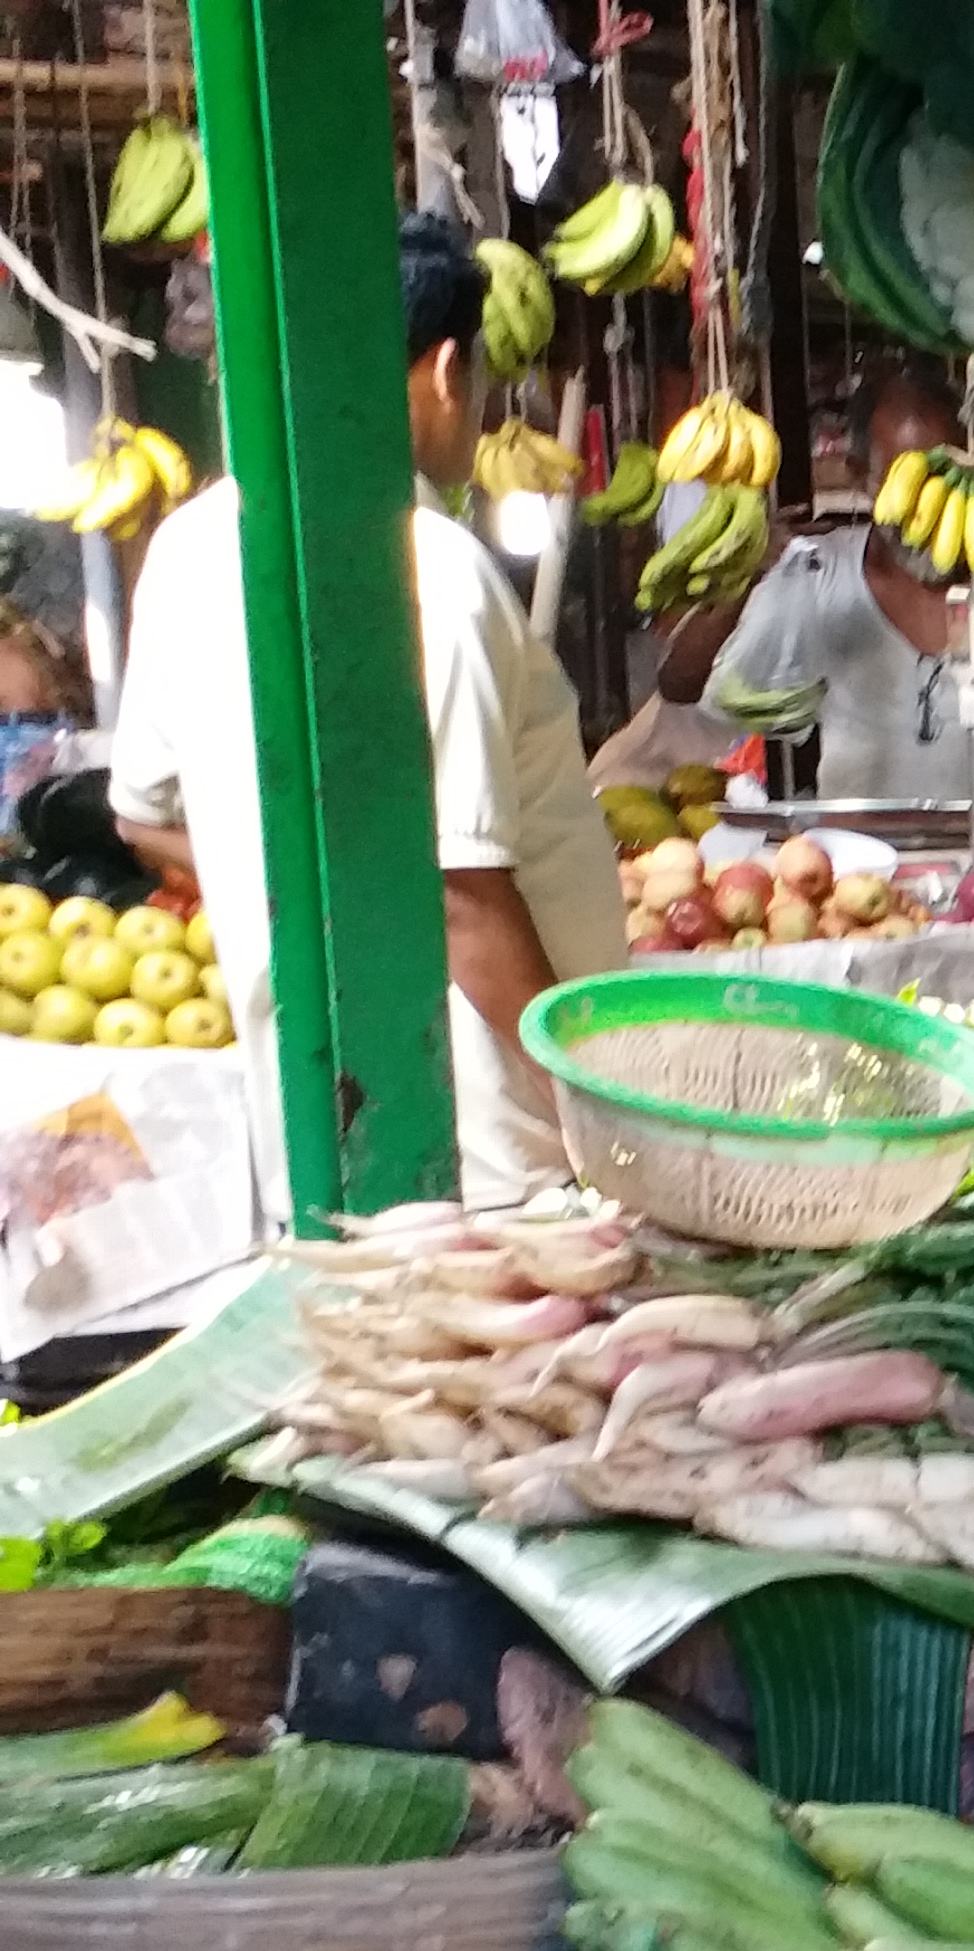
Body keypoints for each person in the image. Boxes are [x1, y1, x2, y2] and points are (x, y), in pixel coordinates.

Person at [104, 212, 626, 1217]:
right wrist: (589, 1121)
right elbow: (460, 893)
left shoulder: (191, 548)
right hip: (483, 1159)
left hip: (321, 1129)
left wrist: (292, 879)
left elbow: (140, 815)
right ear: (440, 371)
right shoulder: (432, 570)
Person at [660, 365, 974, 807]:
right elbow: (680, 683)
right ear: (858, 473)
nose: (924, 513)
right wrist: (747, 574)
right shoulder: (820, 575)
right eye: (904, 484)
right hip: (856, 868)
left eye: (938, 480)